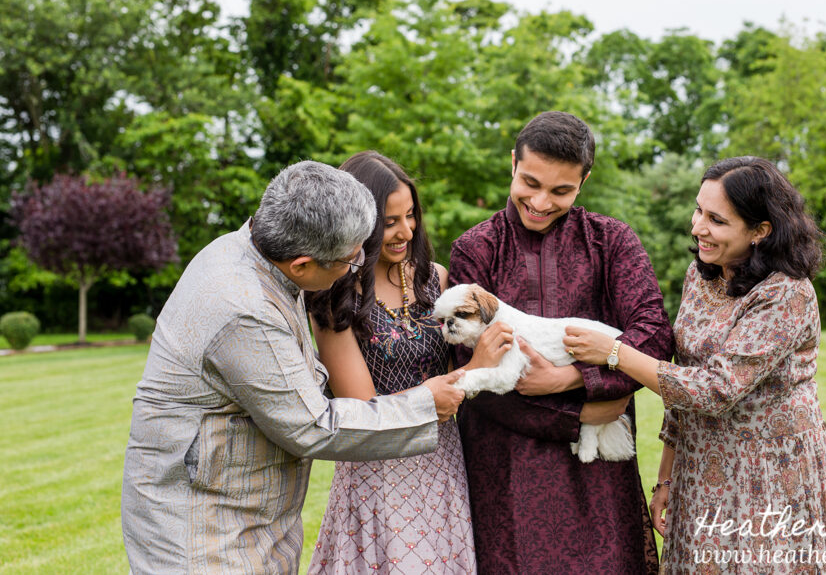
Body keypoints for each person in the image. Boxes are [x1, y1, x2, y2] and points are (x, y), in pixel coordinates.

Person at [121, 161, 466, 575]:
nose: (360, 264)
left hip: (247, 513)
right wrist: (426, 405)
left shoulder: (252, 250)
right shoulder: (243, 307)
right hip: (202, 528)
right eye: (350, 260)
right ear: (302, 265)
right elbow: (313, 426)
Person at [566, 156, 826, 574]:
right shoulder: (703, 276)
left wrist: (615, 352)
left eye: (716, 219)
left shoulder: (787, 293)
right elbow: (683, 382)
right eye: (699, 210)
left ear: (759, 231)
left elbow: (715, 388)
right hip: (700, 468)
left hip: (768, 473)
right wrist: (665, 479)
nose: (698, 227)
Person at [449, 111, 673, 574]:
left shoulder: (611, 241)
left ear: (584, 180)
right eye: (530, 182)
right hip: (505, 466)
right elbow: (469, 370)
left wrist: (570, 379)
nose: (540, 201)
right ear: (513, 163)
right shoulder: (476, 249)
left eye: (561, 190)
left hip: (598, 471)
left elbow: (653, 334)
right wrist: (578, 414)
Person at [305, 152, 508, 573]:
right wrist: (474, 370)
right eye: (389, 221)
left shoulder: (435, 279)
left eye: (410, 216)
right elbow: (363, 406)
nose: (404, 231)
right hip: (378, 469)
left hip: (442, 461)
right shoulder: (334, 294)